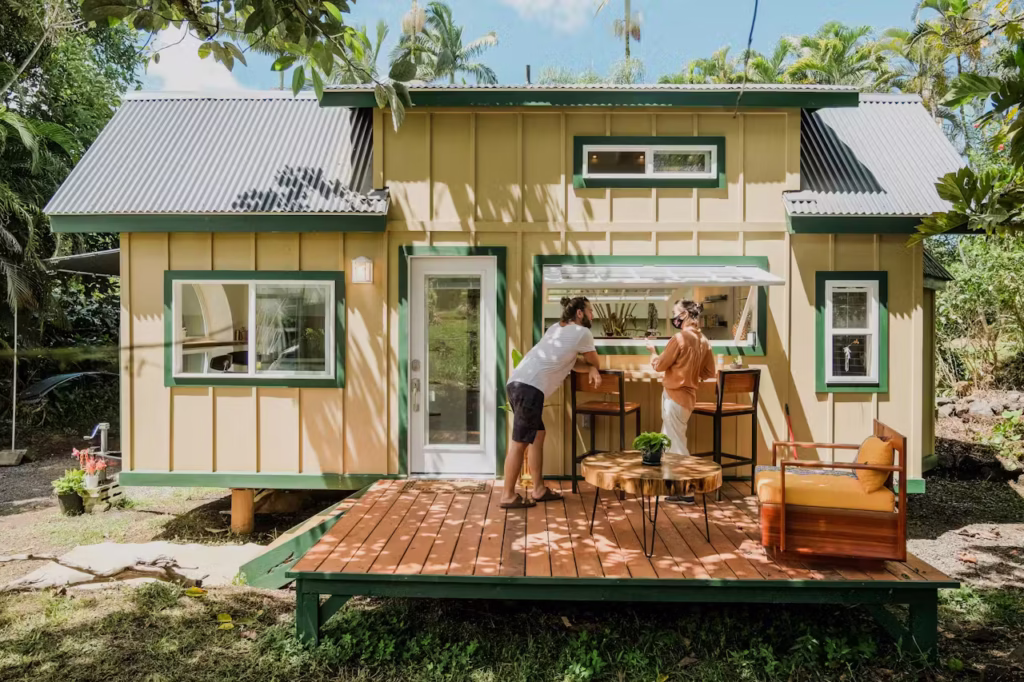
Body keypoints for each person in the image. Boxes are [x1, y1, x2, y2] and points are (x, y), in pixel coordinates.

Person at [501, 296, 602, 508]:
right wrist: (593, 367)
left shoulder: (556, 329)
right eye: (590, 311)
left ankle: (538, 489)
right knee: (519, 443)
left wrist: (589, 368)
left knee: (538, 435)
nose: (593, 315)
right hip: (530, 388)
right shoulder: (582, 332)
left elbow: (573, 363)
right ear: (580, 313)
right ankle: (507, 495)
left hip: (518, 383)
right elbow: (594, 360)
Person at [646, 299, 716, 503]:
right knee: (672, 440)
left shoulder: (679, 338)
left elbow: (659, 365)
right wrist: (691, 372)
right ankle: (674, 487)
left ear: (684, 314)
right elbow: (709, 372)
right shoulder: (703, 340)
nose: (673, 317)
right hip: (688, 399)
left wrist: (652, 352)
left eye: (675, 313)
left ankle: (686, 490)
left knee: (676, 445)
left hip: (674, 397)